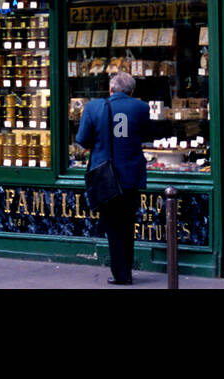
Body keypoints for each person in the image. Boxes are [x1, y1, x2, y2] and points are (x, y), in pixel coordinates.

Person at [76, 71, 151, 285]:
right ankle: (126, 269)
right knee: (128, 224)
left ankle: (121, 274)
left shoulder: (93, 107)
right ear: (132, 91)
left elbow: (82, 139)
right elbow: (147, 135)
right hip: (130, 174)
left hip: (105, 175)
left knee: (113, 226)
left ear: (110, 89)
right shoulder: (141, 107)